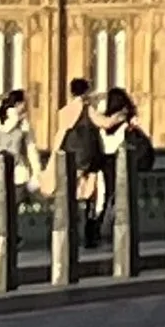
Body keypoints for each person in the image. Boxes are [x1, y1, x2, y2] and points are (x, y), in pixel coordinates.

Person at [56, 76, 107, 252]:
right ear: (86, 92)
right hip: (89, 158)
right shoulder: (87, 109)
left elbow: (60, 134)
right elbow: (104, 123)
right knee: (91, 196)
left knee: (71, 194)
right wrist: (120, 115)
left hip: (70, 156)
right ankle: (89, 233)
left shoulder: (64, 111)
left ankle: (69, 232)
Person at [0, 87, 38, 186]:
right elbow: (31, 149)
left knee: (0, 199)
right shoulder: (23, 125)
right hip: (19, 172)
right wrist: (36, 172)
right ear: (19, 104)